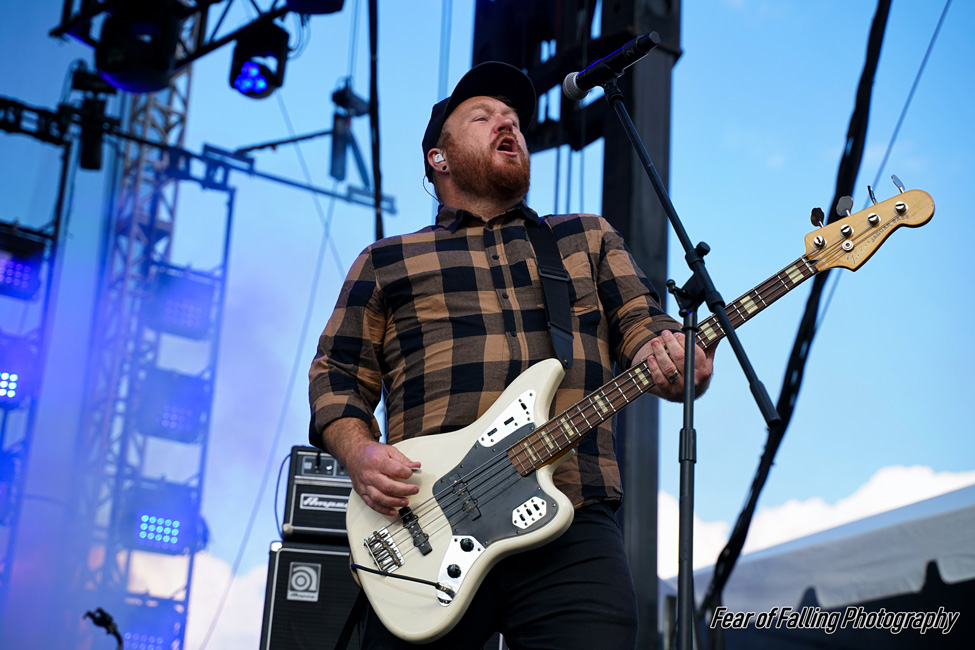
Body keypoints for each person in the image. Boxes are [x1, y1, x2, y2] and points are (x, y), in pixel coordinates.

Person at [308, 61, 715, 649]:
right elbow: (337, 375)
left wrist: (678, 356)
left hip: (571, 516)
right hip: (423, 529)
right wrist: (360, 453)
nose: (507, 124)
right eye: (483, 116)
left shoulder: (585, 237)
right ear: (438, 158)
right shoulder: (388, 260)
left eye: (514, 119)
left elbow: (644, 326)